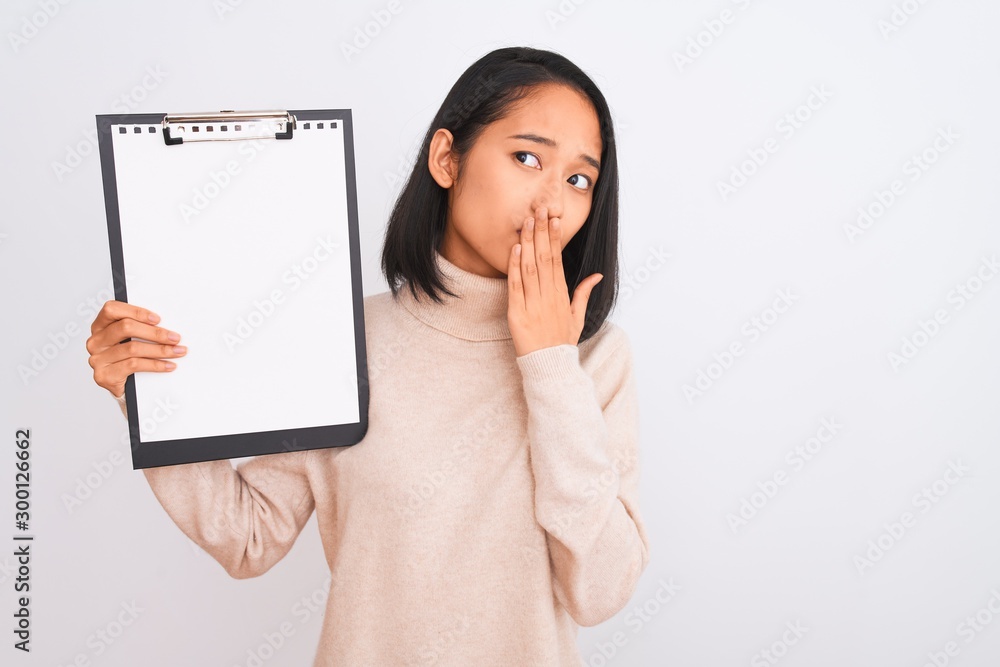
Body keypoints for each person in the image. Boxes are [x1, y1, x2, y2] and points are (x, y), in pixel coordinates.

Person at [86, 45, 649, 666]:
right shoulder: (341, 336)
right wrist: (148, 390)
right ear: (447, 159)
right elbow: (249, 537)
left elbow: (601, 590)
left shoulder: (595, 359)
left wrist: (549, 364)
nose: (553, 203)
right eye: (527, 158)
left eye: (578, 179)